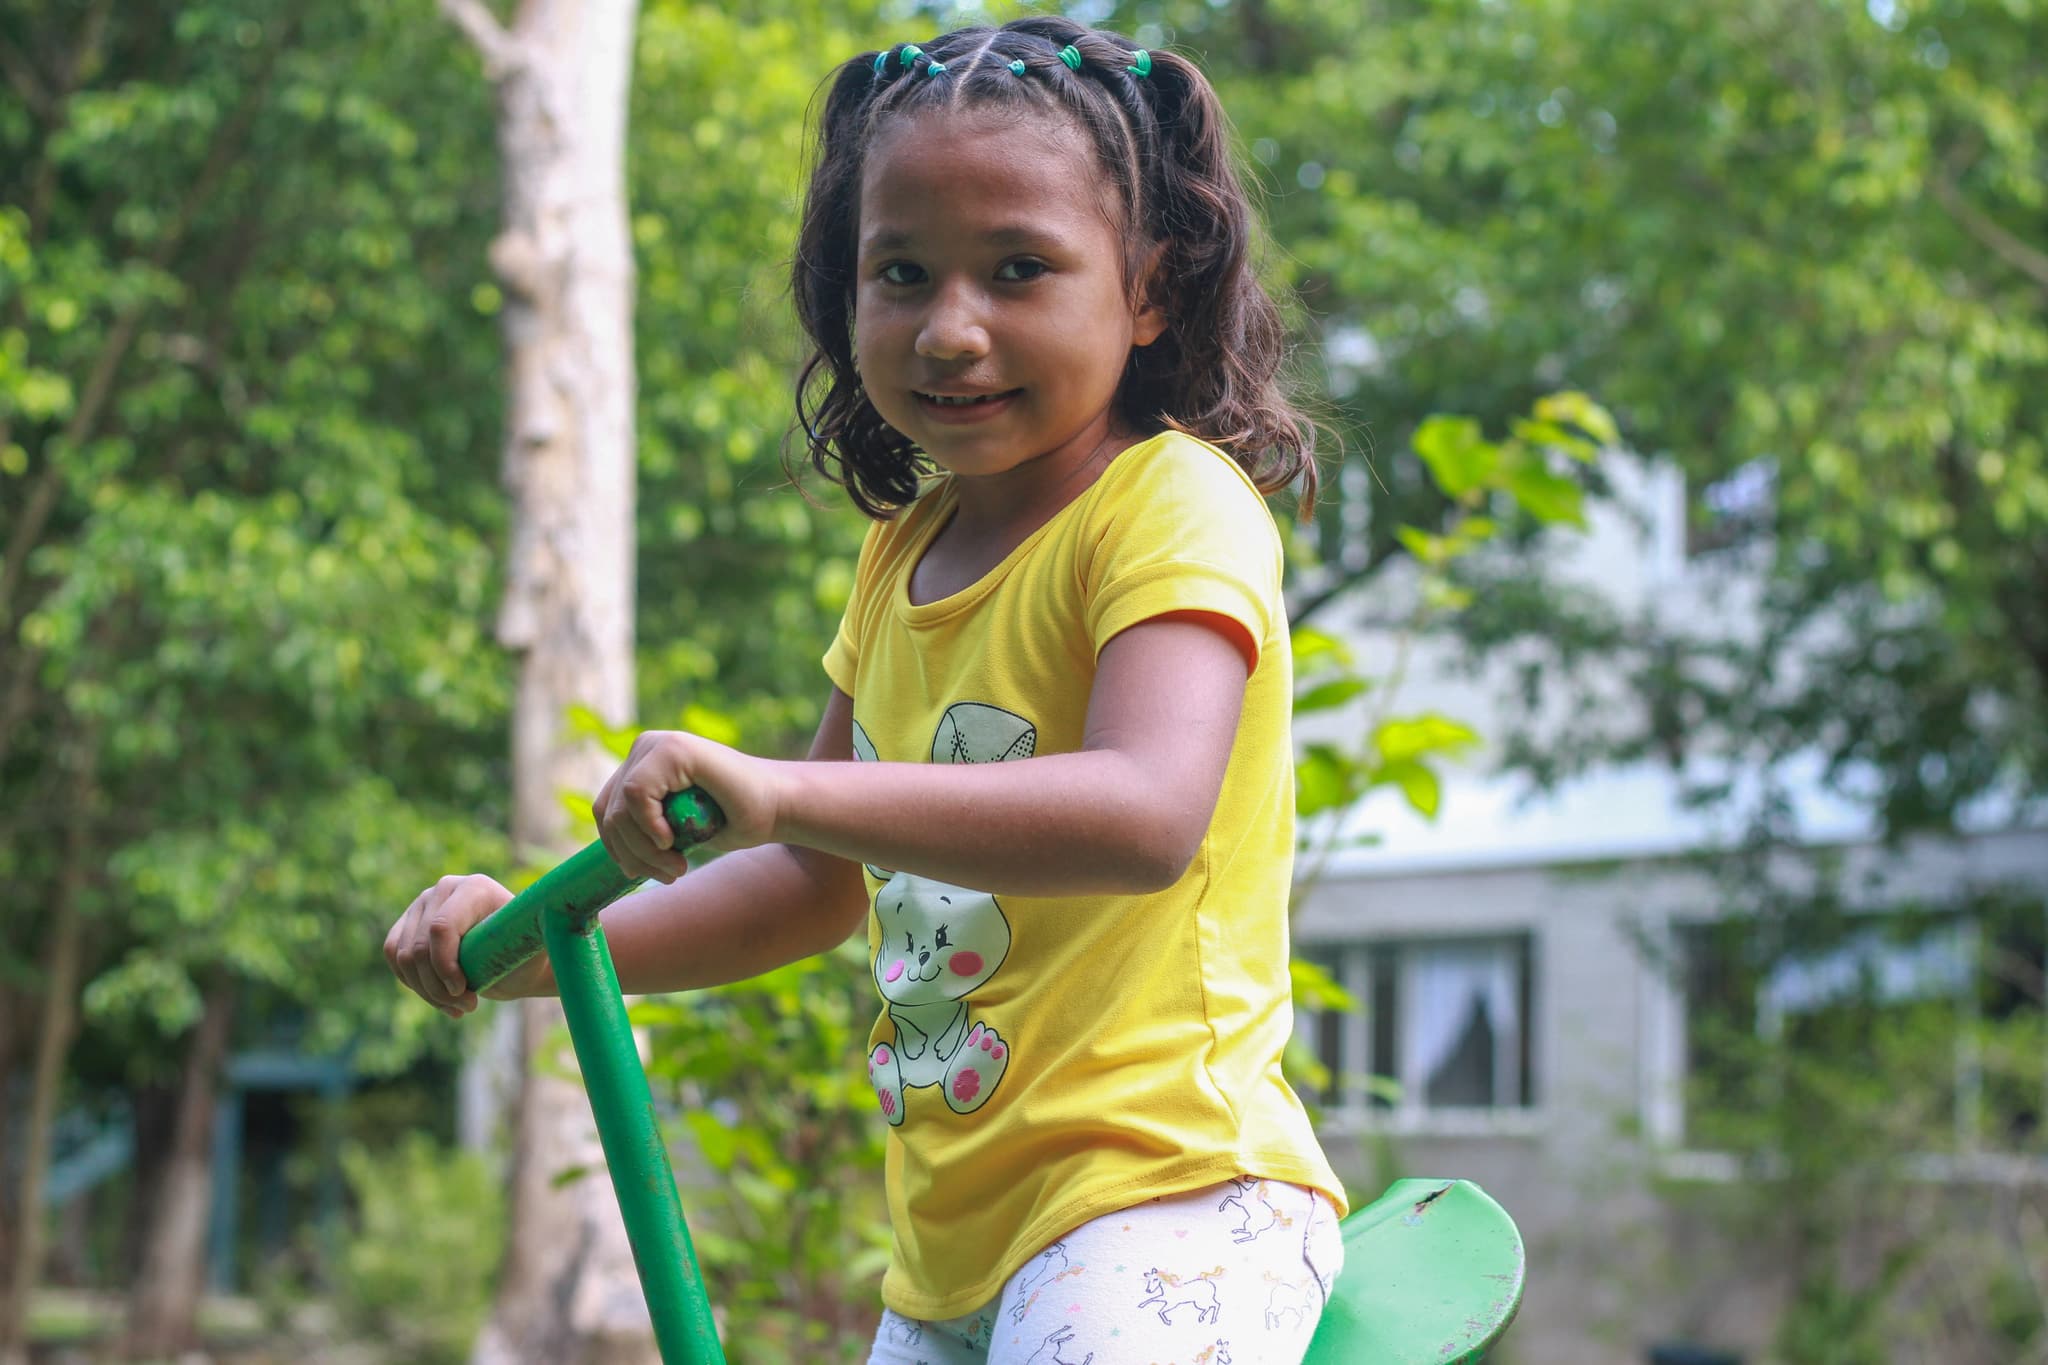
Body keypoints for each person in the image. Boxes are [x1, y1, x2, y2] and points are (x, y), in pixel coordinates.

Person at [385, 15, 1348, 1362]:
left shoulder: (1170, 506)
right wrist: (546, 951)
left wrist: (784, 790)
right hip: (950, 1253)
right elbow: (806, 880)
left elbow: (1147, 813)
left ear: (1148, 287)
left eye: (1019, 269)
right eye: (901, 273)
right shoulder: (902, 555)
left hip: (1165, 1202)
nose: (951, 330)